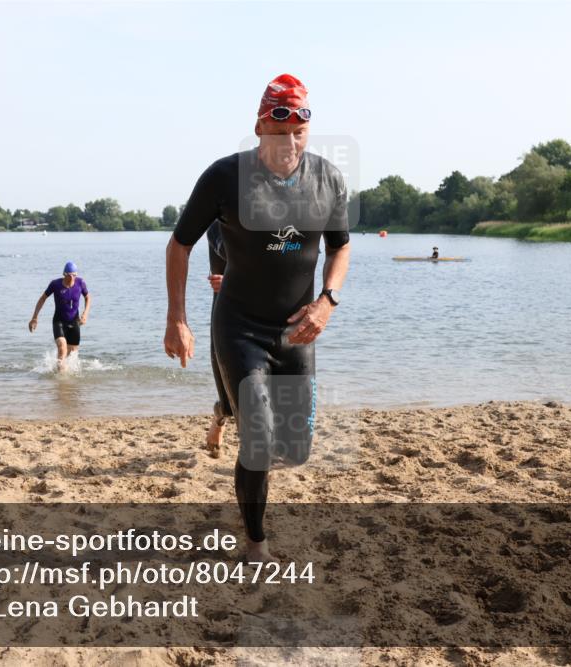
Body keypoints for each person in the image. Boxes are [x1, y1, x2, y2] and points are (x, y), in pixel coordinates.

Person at [164, 74, 351, 562]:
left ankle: (240, 442)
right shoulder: (226, 176)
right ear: (260, 126)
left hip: (297, 330)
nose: (288, 142)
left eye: (298, 131)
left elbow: (341, 247)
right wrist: (177, 318)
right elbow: (179, 244)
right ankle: (254, 541)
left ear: (308, 130)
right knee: (259, 439)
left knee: (296, 448)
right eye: (278, 128)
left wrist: (326, 301)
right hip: (240, 325)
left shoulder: (328, 179)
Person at [29, 261, 91, 372]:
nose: (72, 278)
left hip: (74, 322)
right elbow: (42, 298)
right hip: (59, 321)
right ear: (64, 274)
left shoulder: (80, 283)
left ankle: (65, 383)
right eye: (70, 275)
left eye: (74, 275)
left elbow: (88, 297)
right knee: (62, 348)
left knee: (72, 356)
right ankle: (61, 381)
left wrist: (85, 313)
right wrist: (35, 317)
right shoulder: (55, 284)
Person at [205, 220, 232, 458]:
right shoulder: (218, 224)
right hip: (228, 316)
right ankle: (219, 419)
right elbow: (237, 258)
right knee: (230, 402)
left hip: (269, 312)